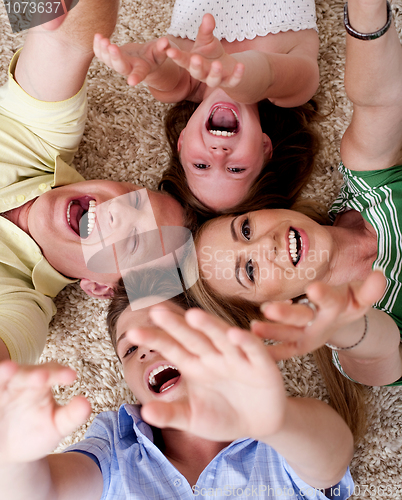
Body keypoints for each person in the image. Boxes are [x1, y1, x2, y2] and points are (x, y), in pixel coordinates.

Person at [0, 269, 355, 500]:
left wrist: (276, 421)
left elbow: (333, 461)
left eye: (165, 330)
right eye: (130, 348)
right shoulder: (116, 447)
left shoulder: (279, 443)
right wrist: (14, 458)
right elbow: (46, 493)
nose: (147, 349)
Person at [191, 0, 402, 387]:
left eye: (247, 230)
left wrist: (366, 11)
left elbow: (380, 102)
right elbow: (384, 351)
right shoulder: (353, 338)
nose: (266, 245)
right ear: (273, 310)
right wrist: (343, 323)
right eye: (249, 270)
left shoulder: (369, 185)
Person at [0, 0, 191, 365]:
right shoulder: (42, 139)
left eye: (134, 241)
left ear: (99, 285)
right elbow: (68, 40)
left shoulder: (23, 305)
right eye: (133, 200)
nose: (117, 212)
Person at [94, 4, 320, 214]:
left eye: (201, 165)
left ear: (182, 143)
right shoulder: (295, 91)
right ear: (265, 148)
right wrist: (233, 76)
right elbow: (267, 73)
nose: (219, 154)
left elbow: (164, 69)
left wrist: (148, 63)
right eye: (236, 170)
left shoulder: (180, 81)